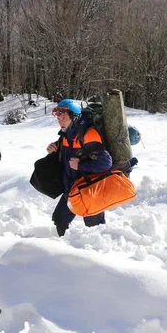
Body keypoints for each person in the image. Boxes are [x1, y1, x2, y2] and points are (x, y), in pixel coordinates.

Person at [47, 99, 112, 237]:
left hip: (89, 190)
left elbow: (106, 162)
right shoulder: (66, 134)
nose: (60, 121)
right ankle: (61, 251)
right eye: (58, 118)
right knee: (59, 219)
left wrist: (81, 165)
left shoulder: (89, 135)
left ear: (74, 117)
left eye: (64, 118)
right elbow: (66, 151)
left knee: (95, 229)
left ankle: (98, 255)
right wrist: (54, 147)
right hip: (71, 188)